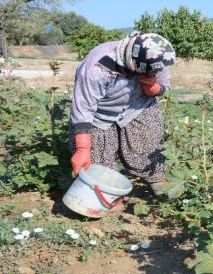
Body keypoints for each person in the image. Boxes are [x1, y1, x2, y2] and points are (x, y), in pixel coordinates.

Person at [69, 31, 176, 196]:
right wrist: (83, 148)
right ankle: (102, 194)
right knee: (98, 165)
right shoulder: (97, 66)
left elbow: (164, 85)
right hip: (99, 113)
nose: (159, 70)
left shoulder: (155, 58)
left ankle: (158, 182)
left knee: (149, 146)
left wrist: (153, 88)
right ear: (134, 62)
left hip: (137, 105)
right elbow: (83, 107)